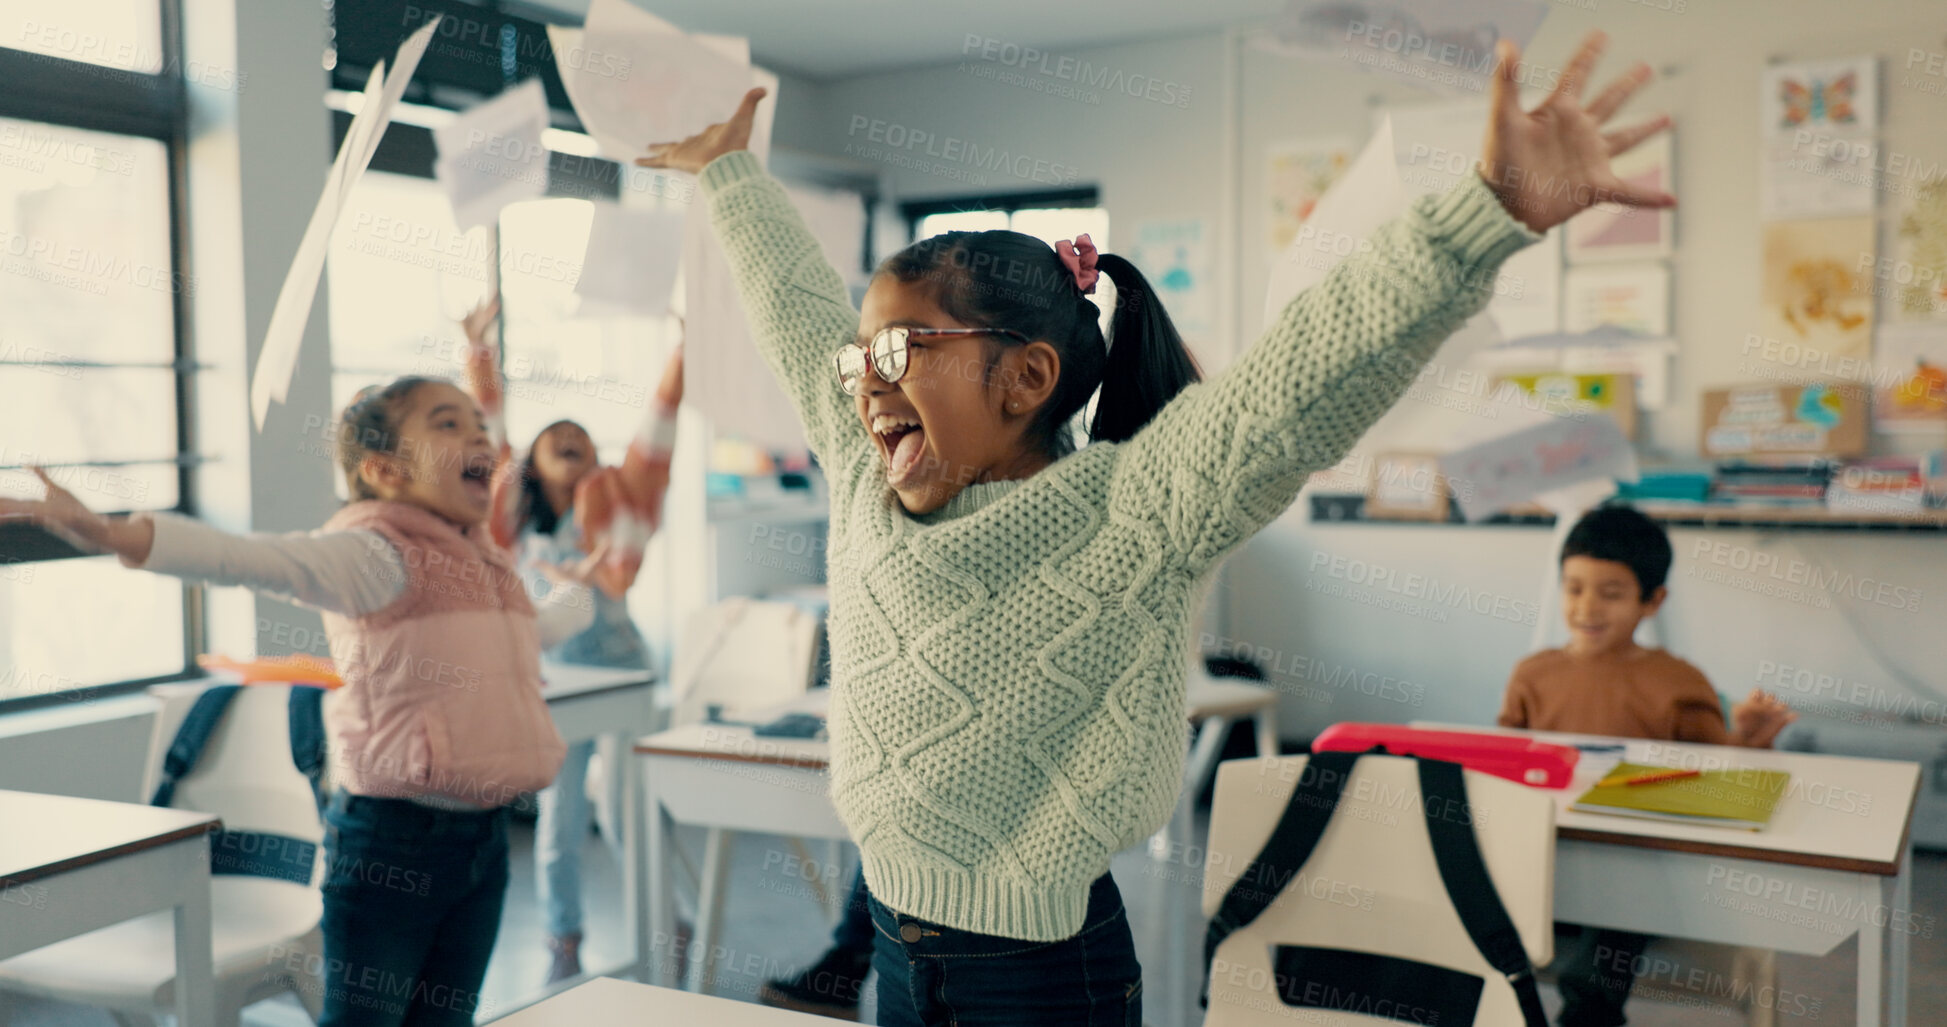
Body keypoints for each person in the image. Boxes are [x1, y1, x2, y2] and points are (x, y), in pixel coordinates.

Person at [639, 29, 1674, 1025]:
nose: (867, 384)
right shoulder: (866, 470)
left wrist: (1485, 213)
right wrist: (730, 174)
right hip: (896, 946)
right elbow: (793, 308)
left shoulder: (1133, 506)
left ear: (1028, 378)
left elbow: (1303, 374)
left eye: (901, 351)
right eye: (860, 360)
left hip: (1041, 974)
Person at [2, 377, 592, 1025]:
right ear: (383, 470)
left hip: (483, 844)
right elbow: (252, 559)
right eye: (447, 423)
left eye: (478, 422)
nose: (479, 434)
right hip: (394, 846)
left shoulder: (485, 566)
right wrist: (114, 534)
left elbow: (543, 623)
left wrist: (579, 587)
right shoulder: (375, 552)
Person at [457, 298, 684, 982]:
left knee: (626, 809)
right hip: (555, 678)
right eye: (555, 431)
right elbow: (487, 425)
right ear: (532, 456)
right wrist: (478, 351)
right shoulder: (509, 509)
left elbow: (658, 427)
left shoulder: (620, 498)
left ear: (594, 460)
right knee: (560, 816)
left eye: (581, 435)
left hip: (623, 667)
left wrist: (682, 350)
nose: (569, 435)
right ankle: (564, 935)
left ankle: (666, 916)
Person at [1499, 505, 1796, 1027]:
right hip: (1544, 864)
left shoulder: (1679, 682)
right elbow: (1501, 769)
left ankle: (1587, 1015)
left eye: (1611, 594)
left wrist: (1748, 742)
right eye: (1573, 588)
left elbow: (1719, 782)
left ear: (1652, 601)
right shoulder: (1532, 673)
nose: (1587, 607)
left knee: (1608, 940)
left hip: (1641, 879)